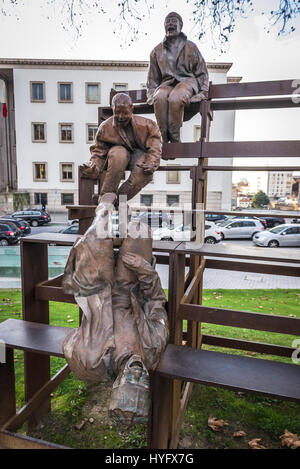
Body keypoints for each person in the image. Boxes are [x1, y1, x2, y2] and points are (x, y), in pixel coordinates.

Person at [62, 193, 169, 425]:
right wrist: (145, 271)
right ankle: (124, 212)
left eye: (131, 379)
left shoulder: (94, 361)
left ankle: (106, 204)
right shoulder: (153, 346)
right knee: (141, 230)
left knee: (94, 240)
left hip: (98, 292)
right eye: (142, 380)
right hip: (129, 288)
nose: (137, 372)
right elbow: (156, 302)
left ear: (118, 381)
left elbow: (70, 343)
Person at [81, 93, 161, 204]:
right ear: (112, 109)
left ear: (131, 109)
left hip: (139, 156)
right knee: (119, 154)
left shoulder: (148, 125)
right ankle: (106, 196)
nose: (121, 116)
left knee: (144, 170)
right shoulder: (105, 127)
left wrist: (152, 161)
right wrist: (94, 166)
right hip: (117, 157)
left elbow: (155, 146)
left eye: (125, 112)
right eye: (117, 112)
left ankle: (116, 200)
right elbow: (99, 151)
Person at [147, 11, 209, 143]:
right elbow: (152, 79)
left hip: (187, 82)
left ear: (181, 25)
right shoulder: (156, 51)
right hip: (166, 85)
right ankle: (163, 139)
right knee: (159, 97)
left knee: (176, 97)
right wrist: (152, 94)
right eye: (167, 21)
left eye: (173, 21)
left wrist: (203, 92)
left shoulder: (191, 47)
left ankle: (175, 141)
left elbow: (202, 71)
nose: (170, 23)